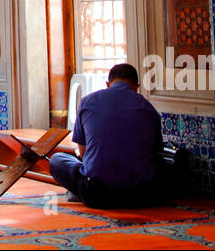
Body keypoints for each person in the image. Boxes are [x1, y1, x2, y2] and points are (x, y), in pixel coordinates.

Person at [48, 62, 164, 208]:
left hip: (96, 194)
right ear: (137, 86)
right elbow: (155, 154)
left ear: (107, 84)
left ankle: (77, 191)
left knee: (57, 160)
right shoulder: (149, 108)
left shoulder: (87, 101)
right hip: (140, 196)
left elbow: (84, 153)